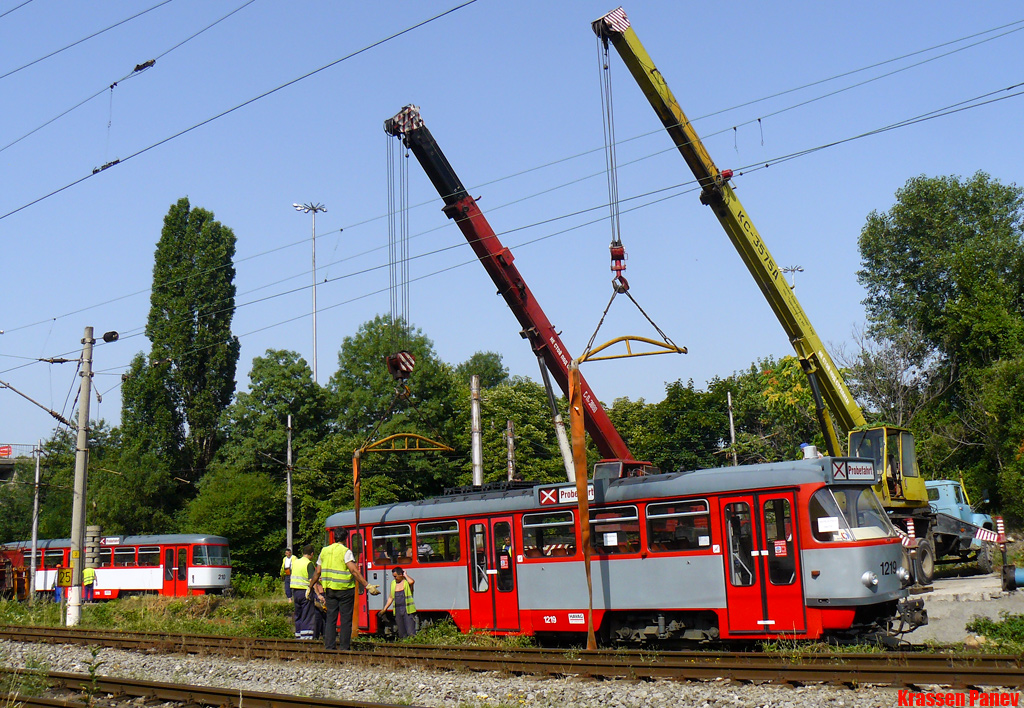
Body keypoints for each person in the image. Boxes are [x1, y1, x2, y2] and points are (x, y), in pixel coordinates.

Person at [308, 528, 379, 651]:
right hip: (345, 590)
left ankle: (329, 647)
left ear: (335, 537)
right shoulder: (346, 552)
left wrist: (310, 588)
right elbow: (354, 571)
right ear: (345, 538)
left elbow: (317, 572)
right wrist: (367, 585)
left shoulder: (324, 551)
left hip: (330, 590)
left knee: (331, 618)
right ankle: (344, 648)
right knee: (346, 620)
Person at [290, 545, 317, 640]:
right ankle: (306, 638)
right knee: (307, 615)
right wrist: (318, 594)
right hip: (305, 592)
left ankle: (298, 636)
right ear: (312, 554)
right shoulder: (309, 564)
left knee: (298, 615)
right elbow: (312, 581)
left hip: (295, 592)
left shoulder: (295, 562)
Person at [382, 567, 416, 638]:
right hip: (397, 610)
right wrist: (384, 609)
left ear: (400, 575)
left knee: (410, 632)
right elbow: (391, 597)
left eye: (395, 576)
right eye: (394, 576)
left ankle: (412, 645)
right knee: (401, 632)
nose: (395, 578)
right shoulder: (393, 583)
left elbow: (412, 582)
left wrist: (405, 575)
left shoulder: (406, 582)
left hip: (407, 610)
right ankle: (404, 645)